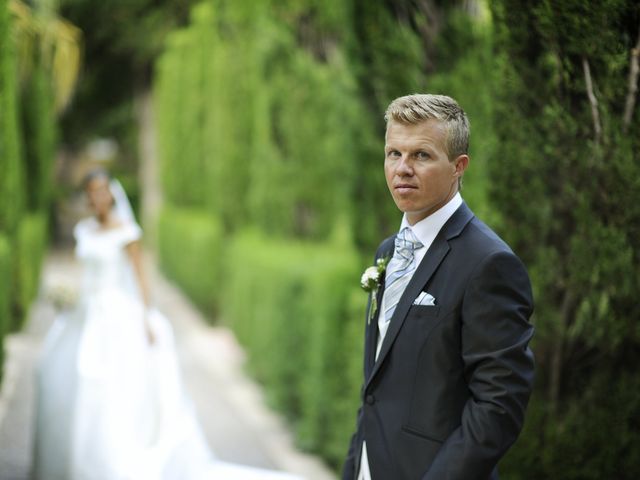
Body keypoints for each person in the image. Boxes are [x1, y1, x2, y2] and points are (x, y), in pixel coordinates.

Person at [33, 169, 301, 480]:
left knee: (111, 384)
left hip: (117, 314)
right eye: (93, 191)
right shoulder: (84, 231)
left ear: (111, 193)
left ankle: (110, 461)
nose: (99, 196)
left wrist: (146, 317)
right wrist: (69, 298)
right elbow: (85, 275)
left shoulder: (127, 233)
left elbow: (140, 277)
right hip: (86, 314)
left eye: (104, 190)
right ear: (87, 195)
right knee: (65, 373)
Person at [342, 94, 535, 480]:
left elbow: (499, 407)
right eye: (393, 153)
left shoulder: (489, 264)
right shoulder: (388, 251)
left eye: (422, 155)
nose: (402, 169)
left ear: (458, 167)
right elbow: (376, 391)